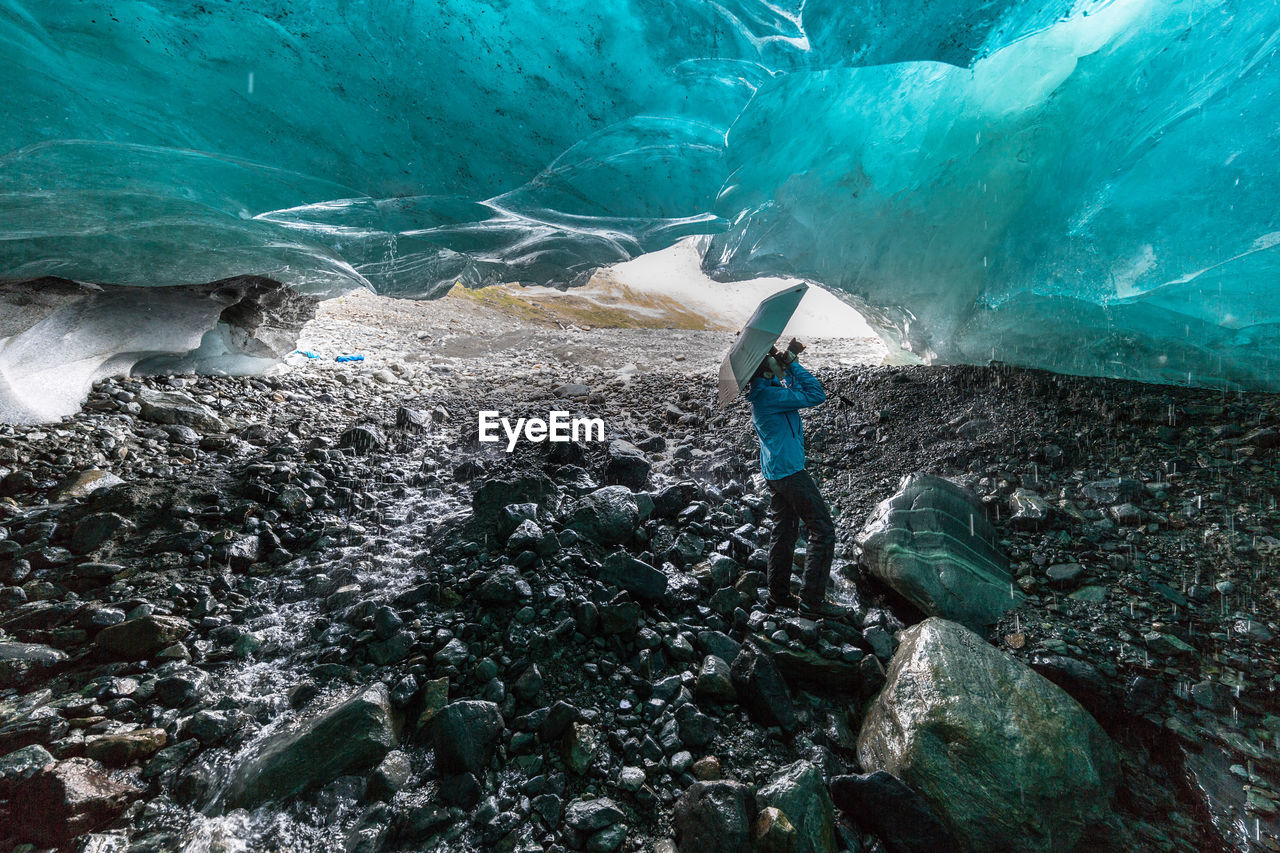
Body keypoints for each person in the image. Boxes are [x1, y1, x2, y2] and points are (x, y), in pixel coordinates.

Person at [746, 341, 845, 618]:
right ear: (766, 372)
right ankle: (812, 602)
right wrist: (794, 365)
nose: (775, 358)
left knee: (785, 531)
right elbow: (815, 394)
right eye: (771, 359)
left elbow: (793, 392)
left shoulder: (764, 392)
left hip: (775, 471)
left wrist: (785, 365)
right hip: (789, 472)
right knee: (823, 529)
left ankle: (777, 596)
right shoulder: (770, 397)